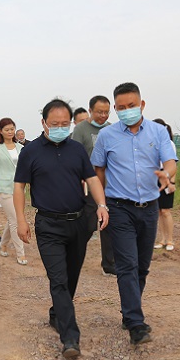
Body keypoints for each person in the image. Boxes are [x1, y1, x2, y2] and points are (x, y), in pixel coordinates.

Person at [14, 99, 109, 358]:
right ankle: (70, 339)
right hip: (48, 225)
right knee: (58, 280)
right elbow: (19, 187)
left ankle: (57, 314)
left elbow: (92, 179)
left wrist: (102, 205)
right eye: (54, 124)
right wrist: (21, 220)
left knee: (71, 277)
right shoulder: (31, 151)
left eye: (64, 124)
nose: (59, 128)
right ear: (44, 123)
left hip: (78, 222)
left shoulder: (76, 150)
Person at [91, 82, 176, 345]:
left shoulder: (158, 132)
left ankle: (129, 312)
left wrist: (167, 174)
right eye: (121, 107)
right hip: (119, 208)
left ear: (142, 105)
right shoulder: (107, 136)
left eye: (132, 105)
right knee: (127, 264)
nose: (127, 110)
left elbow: (170, 161)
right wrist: (101, 203)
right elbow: (98, 169)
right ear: (115, 109)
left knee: (142, 266)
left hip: (149, 208)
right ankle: (136, 323)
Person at [71, 95, 116, 276]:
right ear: (90, 111)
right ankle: (73, 255)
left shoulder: (112, 129)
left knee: (108, 225)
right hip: (89, 185)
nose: (103, 115)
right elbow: (75, 157)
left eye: (106, 112)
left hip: (109, 185)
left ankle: (109, 264)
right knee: (89, 225)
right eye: (99, 112)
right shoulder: (81, 130)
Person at [0, 118, 27, 264]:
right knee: (15, 220)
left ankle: (3, 244)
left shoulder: (20, 147)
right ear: (1, 131)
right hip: (4, 189)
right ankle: (20, 253)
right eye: (7, 129)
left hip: (19, 188)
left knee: (13, 219)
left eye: (12, 129)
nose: (10, 132)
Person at [152, 119, 177, 250]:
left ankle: (170, 240)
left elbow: (173, 165)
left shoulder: (169, 144)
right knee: (159, 211)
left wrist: (171, 182)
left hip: (167, 176)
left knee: (166, 211)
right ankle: (162, 239)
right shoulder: (153, 143)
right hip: (156, 177)